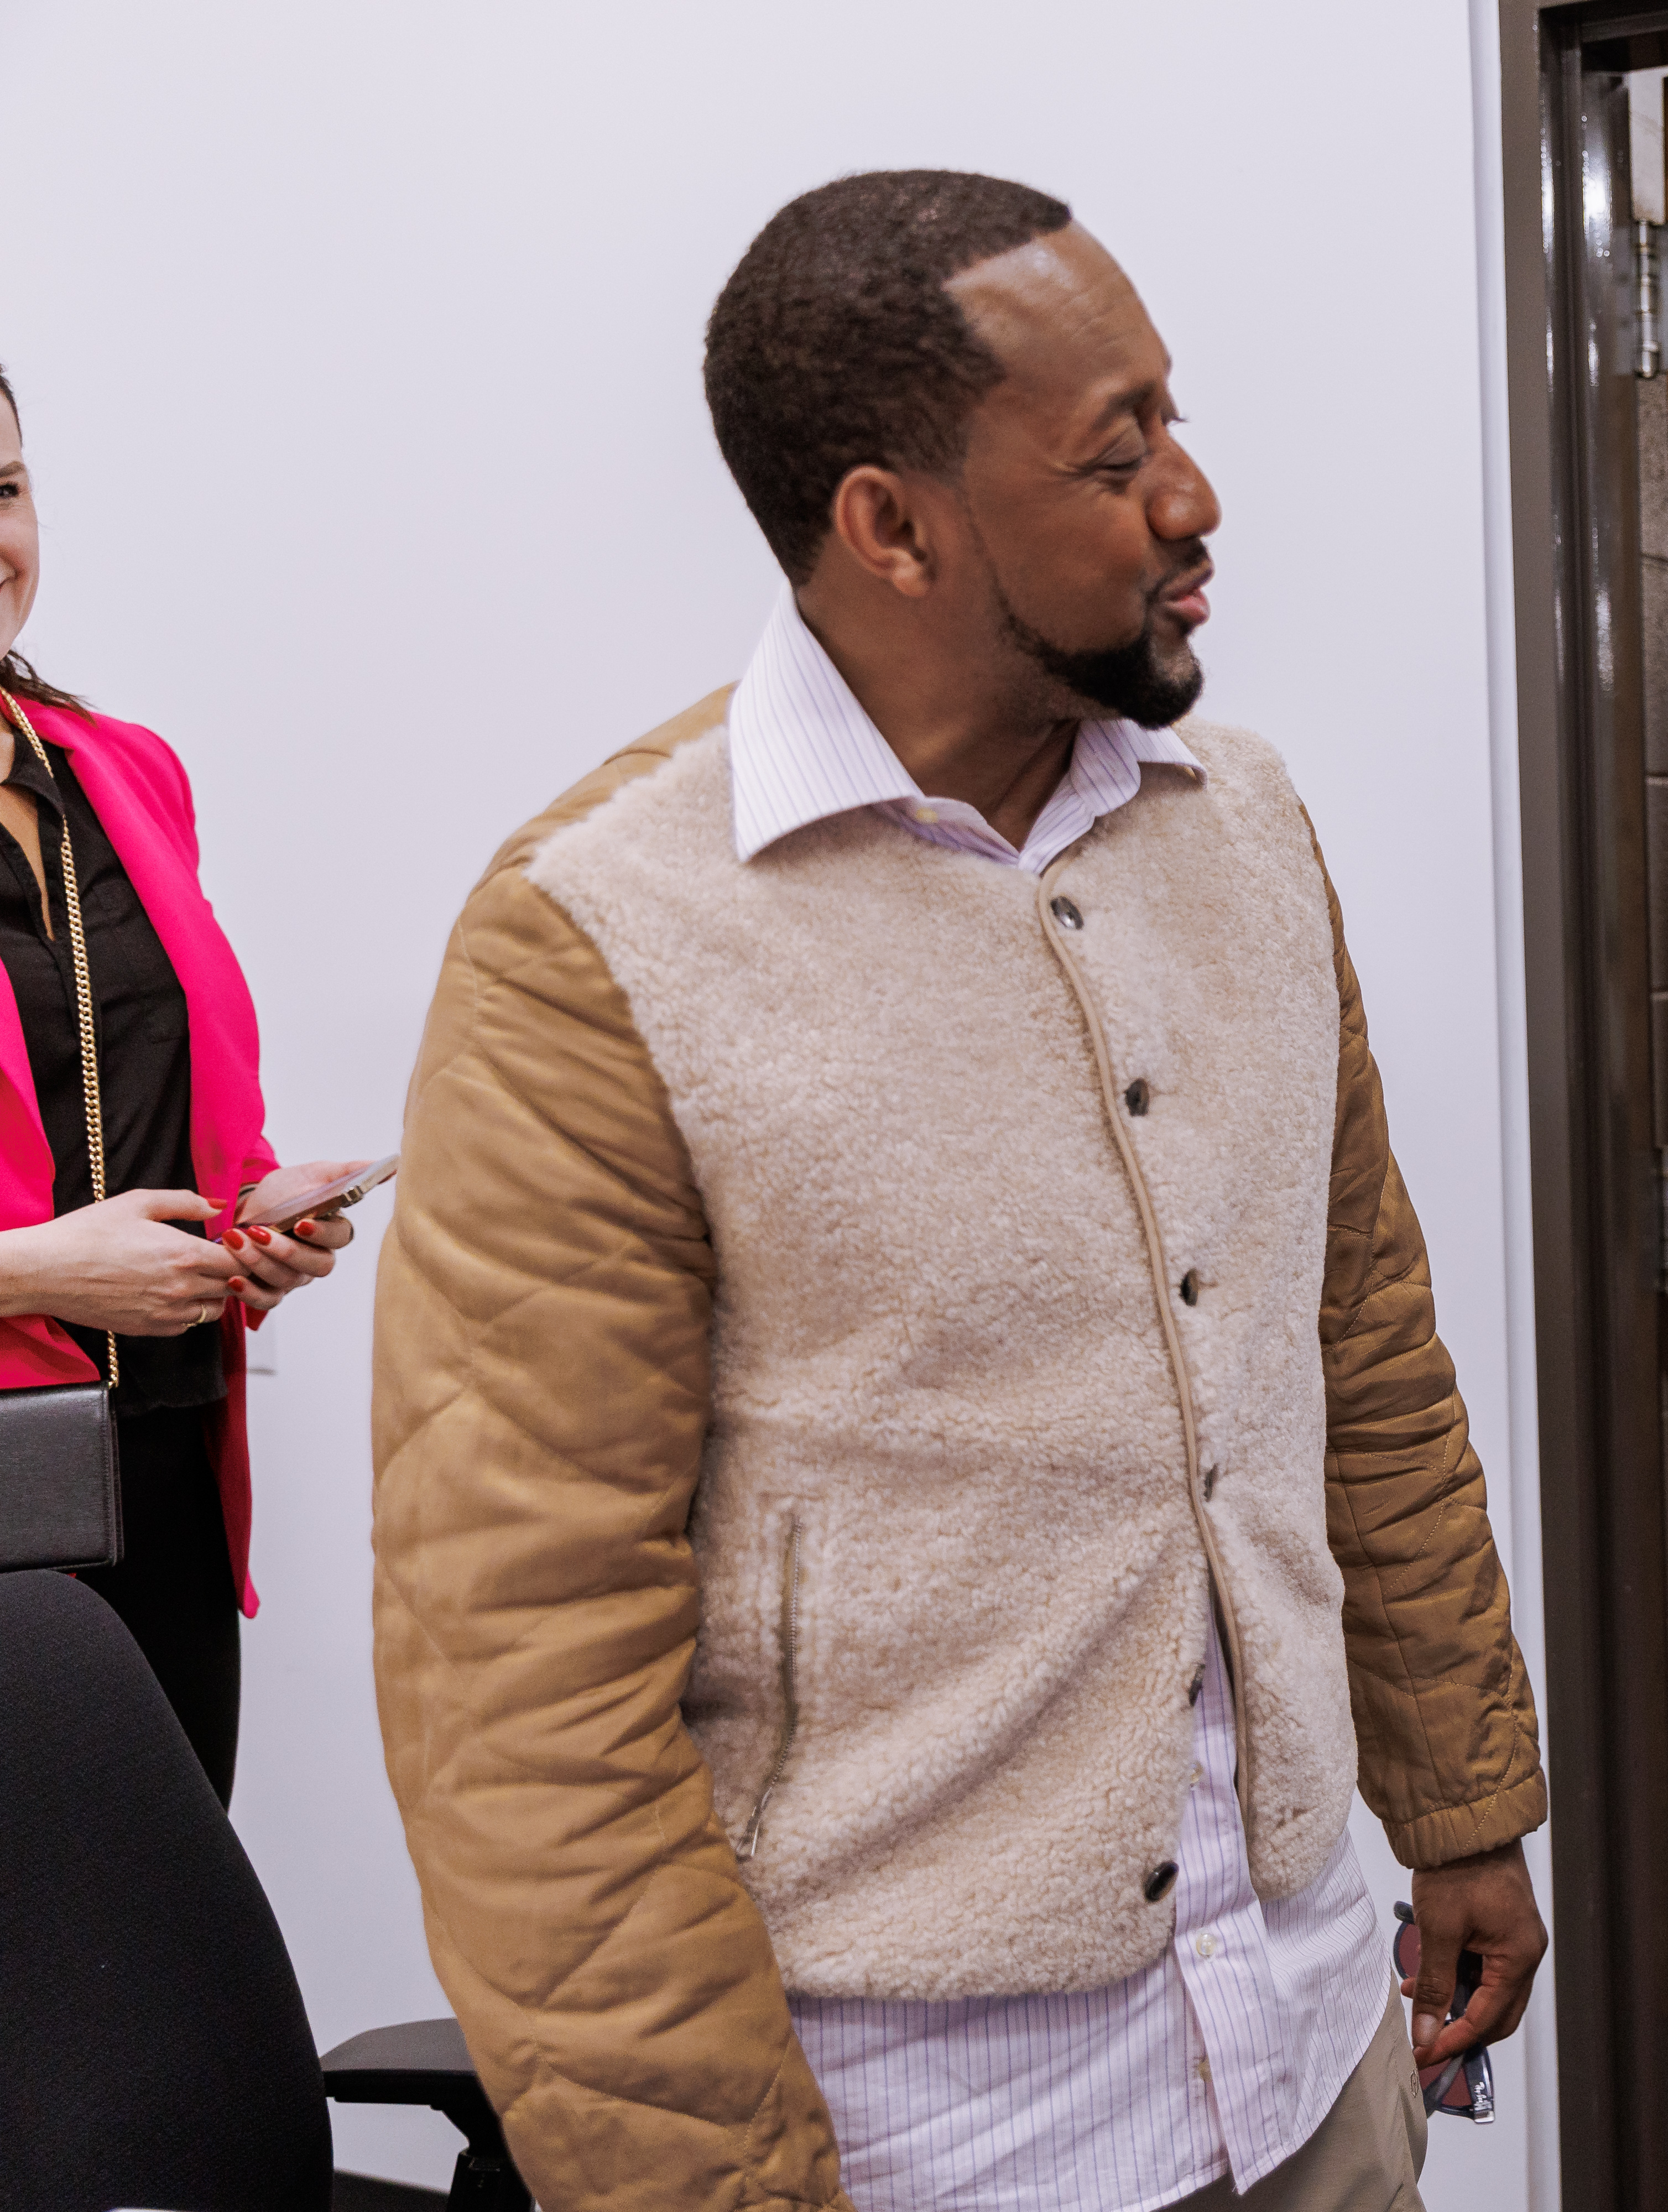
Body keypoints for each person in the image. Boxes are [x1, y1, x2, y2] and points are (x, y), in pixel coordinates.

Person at [369, 172, 1547, 2209]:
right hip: (934, 2143)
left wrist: (1459, 1798)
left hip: (1311, 2053)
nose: (1193, 499)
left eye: (1175, 421)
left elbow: (1357, 1349)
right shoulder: (600, 943)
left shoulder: (1250, 827)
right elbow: (525, 1682)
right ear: (890, 526)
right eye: (1115, 453)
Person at [0, 362, 359, 1803]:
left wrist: (251, 1223)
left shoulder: (126, 770)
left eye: (3, 489)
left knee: (160, 1920)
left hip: (160, 1475)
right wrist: (35, 1272)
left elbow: (159, 1105)